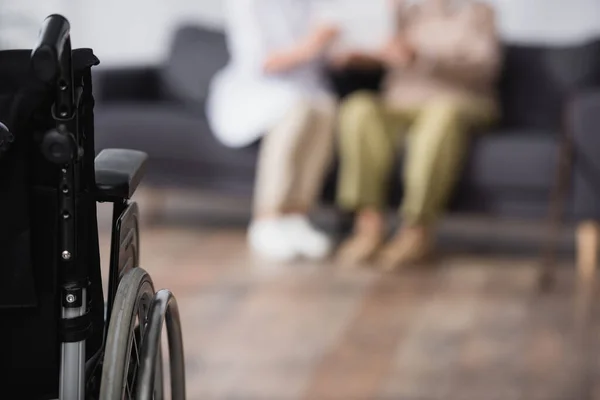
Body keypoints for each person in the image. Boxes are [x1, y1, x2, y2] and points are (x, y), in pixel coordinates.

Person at [332, 0, 502, 270]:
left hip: (457, 99)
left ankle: (416, 230)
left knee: (441, 117)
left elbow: (484, 65)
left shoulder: (478, 12)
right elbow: (384, 50)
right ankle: (368, 225)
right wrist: (359, 55)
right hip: (402, 101)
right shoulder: (404, 12)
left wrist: (424, 56)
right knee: (358, 108)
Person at [206, 0, 339, 262]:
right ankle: (267, 219)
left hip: (305, 88)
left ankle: (295, 215)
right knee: (295, 112)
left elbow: (326, 56)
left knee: (325, 109)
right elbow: (262, 62)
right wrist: (312, 45)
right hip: (258, 89)